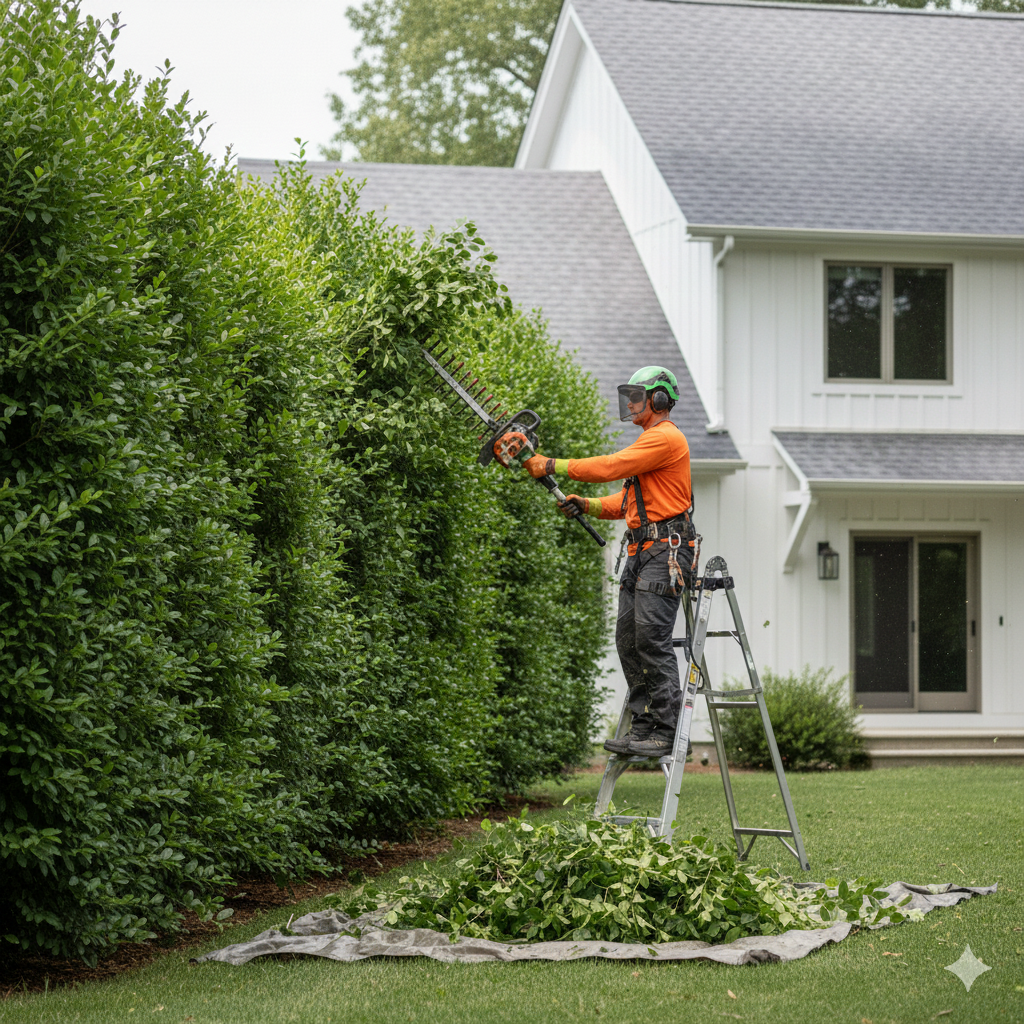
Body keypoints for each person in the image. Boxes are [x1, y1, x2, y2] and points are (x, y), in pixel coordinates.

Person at [523, 366, 696, 758]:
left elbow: (610, 466)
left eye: (637, 397)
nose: (630, 404)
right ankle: (643, 727)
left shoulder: (665, 437)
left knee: (651, 639)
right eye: (628, 397)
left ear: (659, 399)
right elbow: (626, 503)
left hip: (666, 552)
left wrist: (551, 464)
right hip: (641, 553)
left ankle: (666, 731)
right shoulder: (648, 443)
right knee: (628, 640)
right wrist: (586, 505)